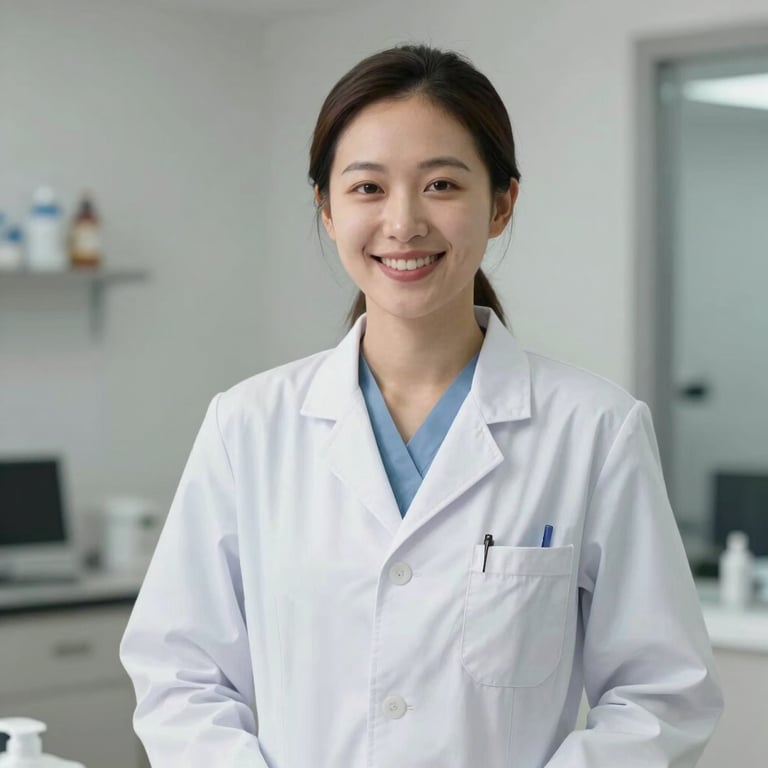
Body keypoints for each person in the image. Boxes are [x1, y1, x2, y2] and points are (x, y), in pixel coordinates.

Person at [119, 44, 723, 767]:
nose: (403, 224)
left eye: (441, 184)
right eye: (367, 188)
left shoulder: (594, 429)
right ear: (327, 208)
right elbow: (180, 676)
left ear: (501, 204)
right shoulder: (248, 426)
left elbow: (663, 693)